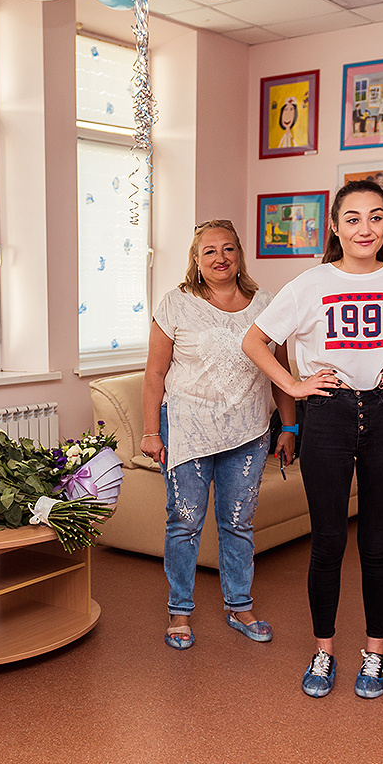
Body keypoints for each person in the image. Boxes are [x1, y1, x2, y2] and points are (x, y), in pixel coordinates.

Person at [242, 180, 383, 701]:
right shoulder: (310, 284)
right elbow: (255, 339)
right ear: (335, 227)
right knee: (329, 543)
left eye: (376, 217)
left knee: (377, 546)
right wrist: (295, 385)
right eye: (353, 218)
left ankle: (375, 654)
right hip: (328, 417)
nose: (365, 228)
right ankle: (324, 651)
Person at [141, 219, 296, 651]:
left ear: (239, 255)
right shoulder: (176, 304)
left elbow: (281, 372)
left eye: (228, 249)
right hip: (187, 427)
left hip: (249, 431)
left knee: (238, 521)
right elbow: (154, 373)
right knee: (184, 521)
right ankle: (179, 610)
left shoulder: (266, 303)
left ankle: (239, 606)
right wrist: (151, 431)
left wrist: (290, 427)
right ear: (196, 259)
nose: (220, 258)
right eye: (209, 251)